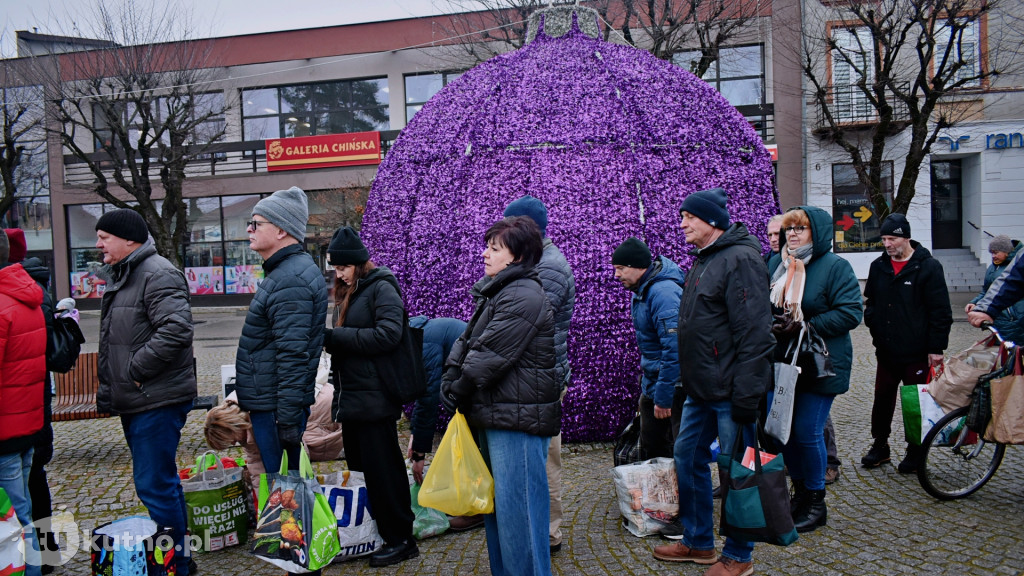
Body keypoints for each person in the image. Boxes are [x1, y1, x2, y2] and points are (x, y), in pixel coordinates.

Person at [653, 187, 774, 576]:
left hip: (730, 392)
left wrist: (747, 395)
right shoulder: (705, 259)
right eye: (682, 216)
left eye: (689, 217)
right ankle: (698, 542)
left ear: (712, 221)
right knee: (687, 457)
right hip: (700, 390)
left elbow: (755, 333)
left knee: (737, 472)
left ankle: (739, 555)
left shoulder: (740, 259)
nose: (682, 223)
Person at [442, 216, 561, 576]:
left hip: (516, 420)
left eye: (494, 248)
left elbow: (488, 355)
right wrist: (452, 375)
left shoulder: (523, 294)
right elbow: (467, 342)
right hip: (498, 414)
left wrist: (458, 386)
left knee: (519, 515)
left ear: (517, 256)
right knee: (500, 512)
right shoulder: (501, 290)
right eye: (487, 246)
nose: (485, 254)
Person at [93, 209, 197, 576]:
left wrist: (135, 371)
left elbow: (177, 329)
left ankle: (176, 564)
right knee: (160, 484)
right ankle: (180, 558)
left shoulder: (157, 273)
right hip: (142, 399)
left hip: (156, 398)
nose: (98, 244)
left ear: (129, 240)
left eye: (104, 237)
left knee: (155, 485)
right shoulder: (129, 273)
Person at [324, 226, 418, 567]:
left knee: (384, 471)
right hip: (353, 397)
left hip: (375, 397)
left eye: (343, 267)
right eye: (335, 268)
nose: (339, 274)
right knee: (362, 470)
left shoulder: (382, 286)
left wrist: (336, 338)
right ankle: (379, 532)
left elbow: (389, 334)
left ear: (359, 263)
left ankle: (401, 539)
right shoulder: (349, 290)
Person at [767, 207, 862, 533]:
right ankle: (801, 494)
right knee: (783, 433)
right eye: (789, 229)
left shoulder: (835, 267)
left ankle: (816, 503)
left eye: (800, 229)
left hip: (821, 364)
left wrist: (805, 324)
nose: (792, 234)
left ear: (816, 232)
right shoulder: (778, 263)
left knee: (807, 431)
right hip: (785, 362)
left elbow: (851, 312)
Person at [235, 186, 328, 478]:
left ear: (281, 230)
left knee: (287, 489)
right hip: (273, 404)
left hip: (276, 408)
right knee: (286, 486)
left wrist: (286, 420)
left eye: (256, 223)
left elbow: (293, 355)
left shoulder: (291, 279)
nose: (249, 229)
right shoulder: (285, 272)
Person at [502, 195, 576, 553]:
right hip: (533, 377)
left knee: (545, 461)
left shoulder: (549, 268)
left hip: (541, 379)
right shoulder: (534, 262)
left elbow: (521, 323)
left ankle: (547, 533)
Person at [862, 213, 952, 473]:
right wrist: (874, 326)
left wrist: (936, 348)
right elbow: (871, 301)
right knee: (882, 400)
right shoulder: (879, 266)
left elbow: (940, 311)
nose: (887, 244)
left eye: (892, 239)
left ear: (906, 238)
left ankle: (915, 450)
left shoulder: (928, 267)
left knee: (915, 403)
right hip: (887, 350)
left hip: (917, 353)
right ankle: (880, 445)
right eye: (884, 239)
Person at [6, 229, 59, 573]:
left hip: (13, 419)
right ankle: (45, 557)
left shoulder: (11, 298)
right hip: (31, 413)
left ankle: (36, 562)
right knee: (31, 491)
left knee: (20, 503)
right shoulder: (34, 292)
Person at [205, 357, 343, 476]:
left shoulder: (261, 414)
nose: (233, 444)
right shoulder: (243, 422)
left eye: (230, 440)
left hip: (324, 407)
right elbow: (255, 461)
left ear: (232, 427)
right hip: (315, 409)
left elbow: (294, 451)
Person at [611, 237, 685, 459]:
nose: (616, 275)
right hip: (656, 382)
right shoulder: (642, 291)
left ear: (638, 266)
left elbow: (674, 348)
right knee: (653, 449)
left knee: (671, 452)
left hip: (673, 387)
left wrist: (663, 397)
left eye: (621, 268)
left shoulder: (663, 293)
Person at [0, 229, 46, 576]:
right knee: (22, 511)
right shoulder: (23, 295)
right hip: (25, 423)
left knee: (13, 518)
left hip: (4, 430)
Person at [407, 315, 467, 484]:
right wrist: (414, 434)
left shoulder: (425, 344)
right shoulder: (418, 334)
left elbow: (428, 398)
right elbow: (422, 395)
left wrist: (419, 455)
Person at [964, 235, 1024, 343]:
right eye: (991, 253)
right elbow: (988, 290)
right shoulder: (992, 269)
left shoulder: (1013, 264)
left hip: (1017, 316)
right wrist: (977, 304)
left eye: (996, 253)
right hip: (1001, 317)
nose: (993, 256)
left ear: (1006, 252)